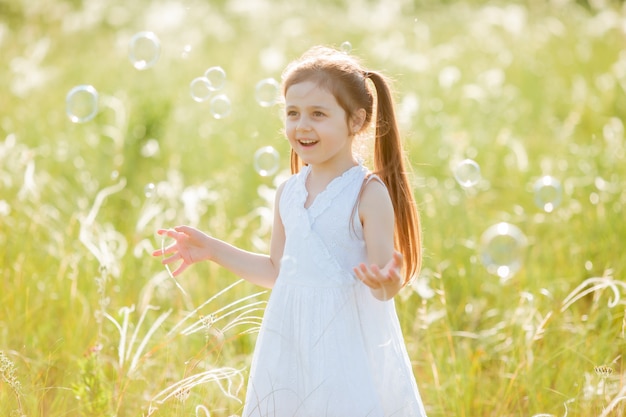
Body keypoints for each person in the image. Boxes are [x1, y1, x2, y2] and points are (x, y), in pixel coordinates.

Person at [153, 45, 428, 416]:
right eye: (293, 113)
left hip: (345, 347)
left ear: (356, 121)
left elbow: (383, 279)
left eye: (318, 114)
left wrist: (387, 282)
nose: (302, 126)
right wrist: (213, 250)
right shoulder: (289, 191)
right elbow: (277, 272)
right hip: (289, 342)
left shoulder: (367, 193)